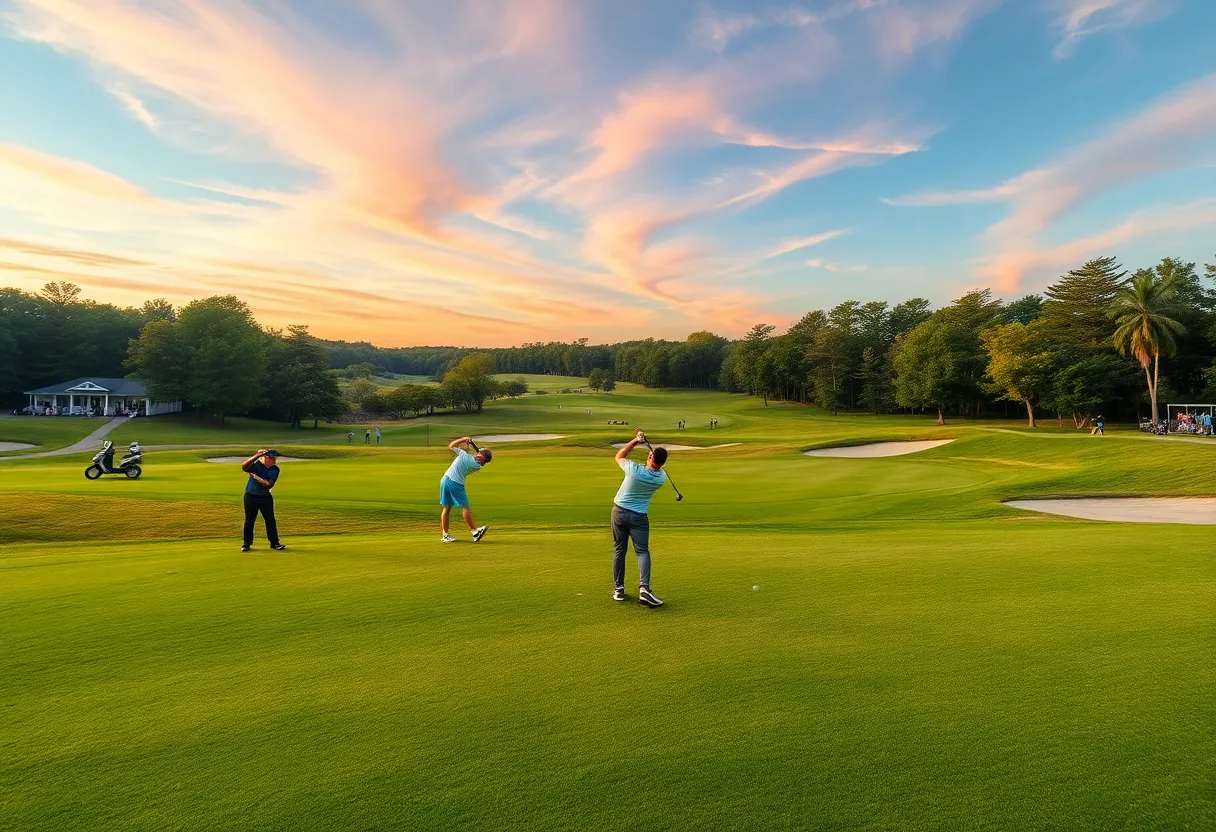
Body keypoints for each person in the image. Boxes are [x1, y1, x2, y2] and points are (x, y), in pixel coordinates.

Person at [611, 430, 668, 607]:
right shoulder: (661, 478)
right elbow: (659, 467)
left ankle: (619, 589)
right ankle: (644, 589)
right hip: (639, 517)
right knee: (642, 552)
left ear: (650, 457)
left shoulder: (633, 469)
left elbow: (619, 455)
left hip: (619, 512)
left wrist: (636, 441)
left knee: (620, 550)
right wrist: (655, 458)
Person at [439, 436, 491, 543]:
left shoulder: (464, 456)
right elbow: (473, 455)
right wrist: (470, 445)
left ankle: (445, 535)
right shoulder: (478, 465)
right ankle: (475, 532)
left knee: (446, 509)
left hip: (445, 480)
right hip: (456, 483)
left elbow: (451, 445)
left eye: (480, 453)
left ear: (482, 457)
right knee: (465, 507)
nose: (478, 453)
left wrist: (463, 439)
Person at [240, 449, 286, 552]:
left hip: (265, 498)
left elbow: (269, 484)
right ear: (266, 458)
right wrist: (257, 455)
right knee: (249, 521)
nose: (274, 460)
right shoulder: (256, 465)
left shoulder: (275, 469)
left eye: (274, 458)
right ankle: (246, 544)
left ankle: (274, 543)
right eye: (272, 458)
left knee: (270, 520)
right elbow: (243, 466)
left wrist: (257, 478)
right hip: (250, 496)